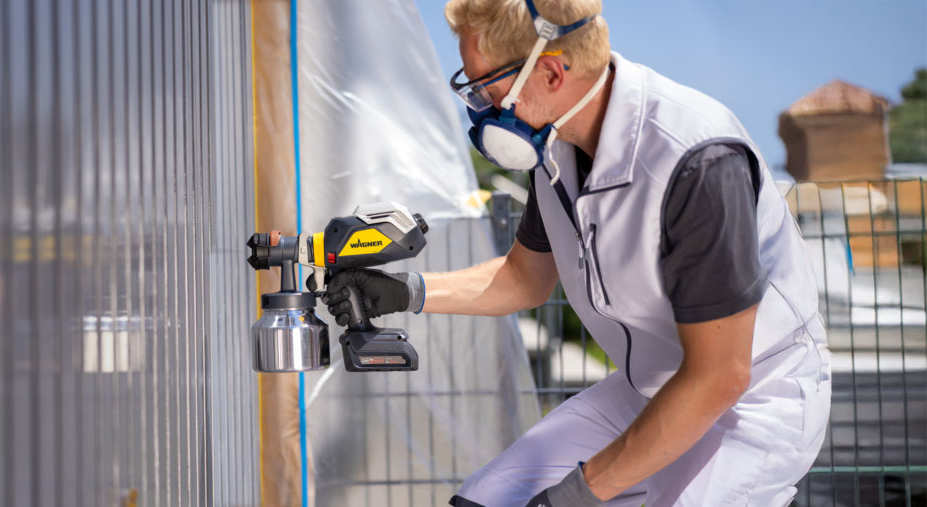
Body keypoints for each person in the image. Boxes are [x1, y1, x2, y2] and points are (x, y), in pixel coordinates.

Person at [314, 0, 832, 505]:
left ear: (552, 74)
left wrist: (575, 494)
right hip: (649, 386)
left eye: (483, 87)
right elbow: (525, 279)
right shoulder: (556, 149)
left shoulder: (694, 161)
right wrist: (404, 291)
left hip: (751, 404)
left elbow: (720, 375)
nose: (479, 109)